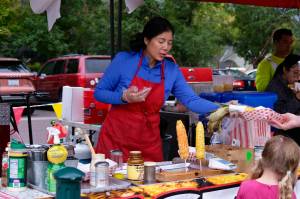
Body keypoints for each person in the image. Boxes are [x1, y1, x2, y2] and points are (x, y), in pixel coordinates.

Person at [93, 16, 219, 162]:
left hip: (149, 143)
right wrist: (124, 97)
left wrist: (222, 109)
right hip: (116, 142)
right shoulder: (124, 61)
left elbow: (191, 100)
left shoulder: (171, 70)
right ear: (147, 40)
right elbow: (99, 93)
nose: (165, 47)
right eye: (161, 41)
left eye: (169, 43)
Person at [265, 54, 300, 145]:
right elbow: (280, 115)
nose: (299, 78)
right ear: (285, 70)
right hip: (285, 137)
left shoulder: (291, 84)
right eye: (295, 73)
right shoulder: (275, 87)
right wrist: (296, 98)